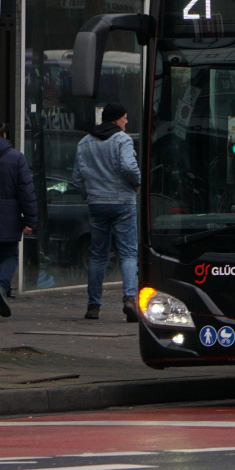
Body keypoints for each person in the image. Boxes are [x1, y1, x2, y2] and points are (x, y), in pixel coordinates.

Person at [73, 104, 140, 322]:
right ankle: (130, 298)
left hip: (96, 203)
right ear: (116, 120)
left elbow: (77, 177)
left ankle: (93, 306)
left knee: (98, 255)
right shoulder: (123, 140)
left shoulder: (84, 142)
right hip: (122, 201)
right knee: (128, 253)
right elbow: (129, 168)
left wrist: (89, 194)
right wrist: (137, 183)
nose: (126, 122)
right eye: (125, 118)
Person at [0, 116, 36, 318]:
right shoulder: (15, 157)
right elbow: (26, 192)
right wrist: (30, 220)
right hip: (8, 219)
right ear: (4, 134)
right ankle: (1, 285)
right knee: (9, 256)